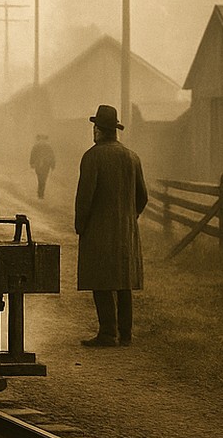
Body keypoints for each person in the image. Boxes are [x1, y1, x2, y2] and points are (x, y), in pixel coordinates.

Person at [74, 104, 147, 347]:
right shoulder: (132, 157)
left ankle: (107, 333)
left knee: (102, 281)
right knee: (123, 281)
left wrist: (80, 225)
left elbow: (85, 197)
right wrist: (130, 216)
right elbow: (142, 197)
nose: (93, 131)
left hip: (99, 230)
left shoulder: (92, 157)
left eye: (95, 127)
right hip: (126, 231)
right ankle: (125, 334)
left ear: (99, 130)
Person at [29, 133, 56, 199]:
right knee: (44, 178)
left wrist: (32, 163)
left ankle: (40, 192)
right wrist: (53, 165)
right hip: (46, 164)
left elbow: (33, 155)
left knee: (40, 177)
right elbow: (52, 156)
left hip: (38, 164)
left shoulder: (36, 145)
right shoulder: (48, 146)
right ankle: (41, 193)